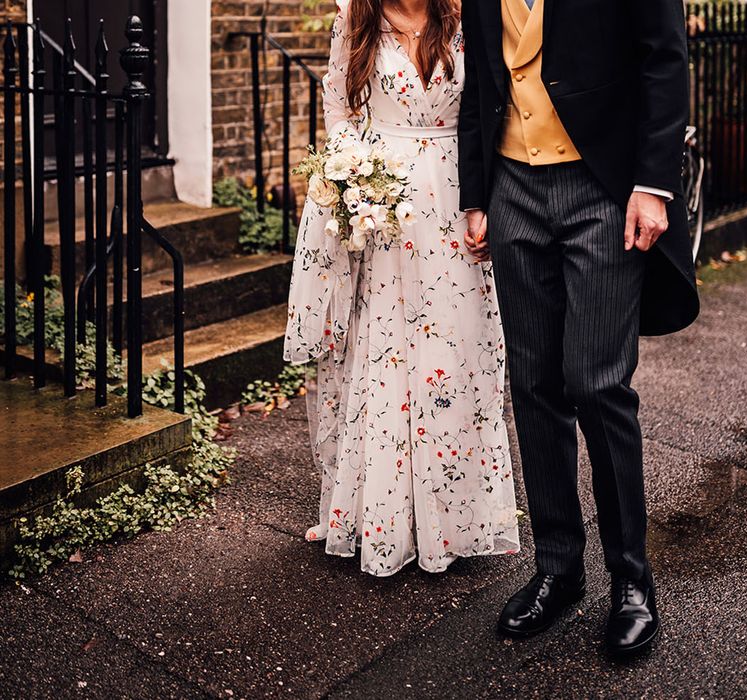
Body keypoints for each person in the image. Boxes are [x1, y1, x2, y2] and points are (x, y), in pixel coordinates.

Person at [459, 0, 699, 655]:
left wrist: (653, 182)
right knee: (533, 385)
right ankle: (559, 570)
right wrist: (476, 194)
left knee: (596, 382)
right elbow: (482, 79)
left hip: (602, 188)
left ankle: (632, 581)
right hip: (512, 190)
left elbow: (664, 57)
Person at [284, 0, 520, 577]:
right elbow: (337, 109)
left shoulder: (466, 16)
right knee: (381, 354)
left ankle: (457, 518)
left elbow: (494, 109)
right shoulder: (356, 19)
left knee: (455, 352)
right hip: (381, 212)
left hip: (454, 205)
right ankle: (375, 515)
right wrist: (355, 177)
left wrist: (485, 200)